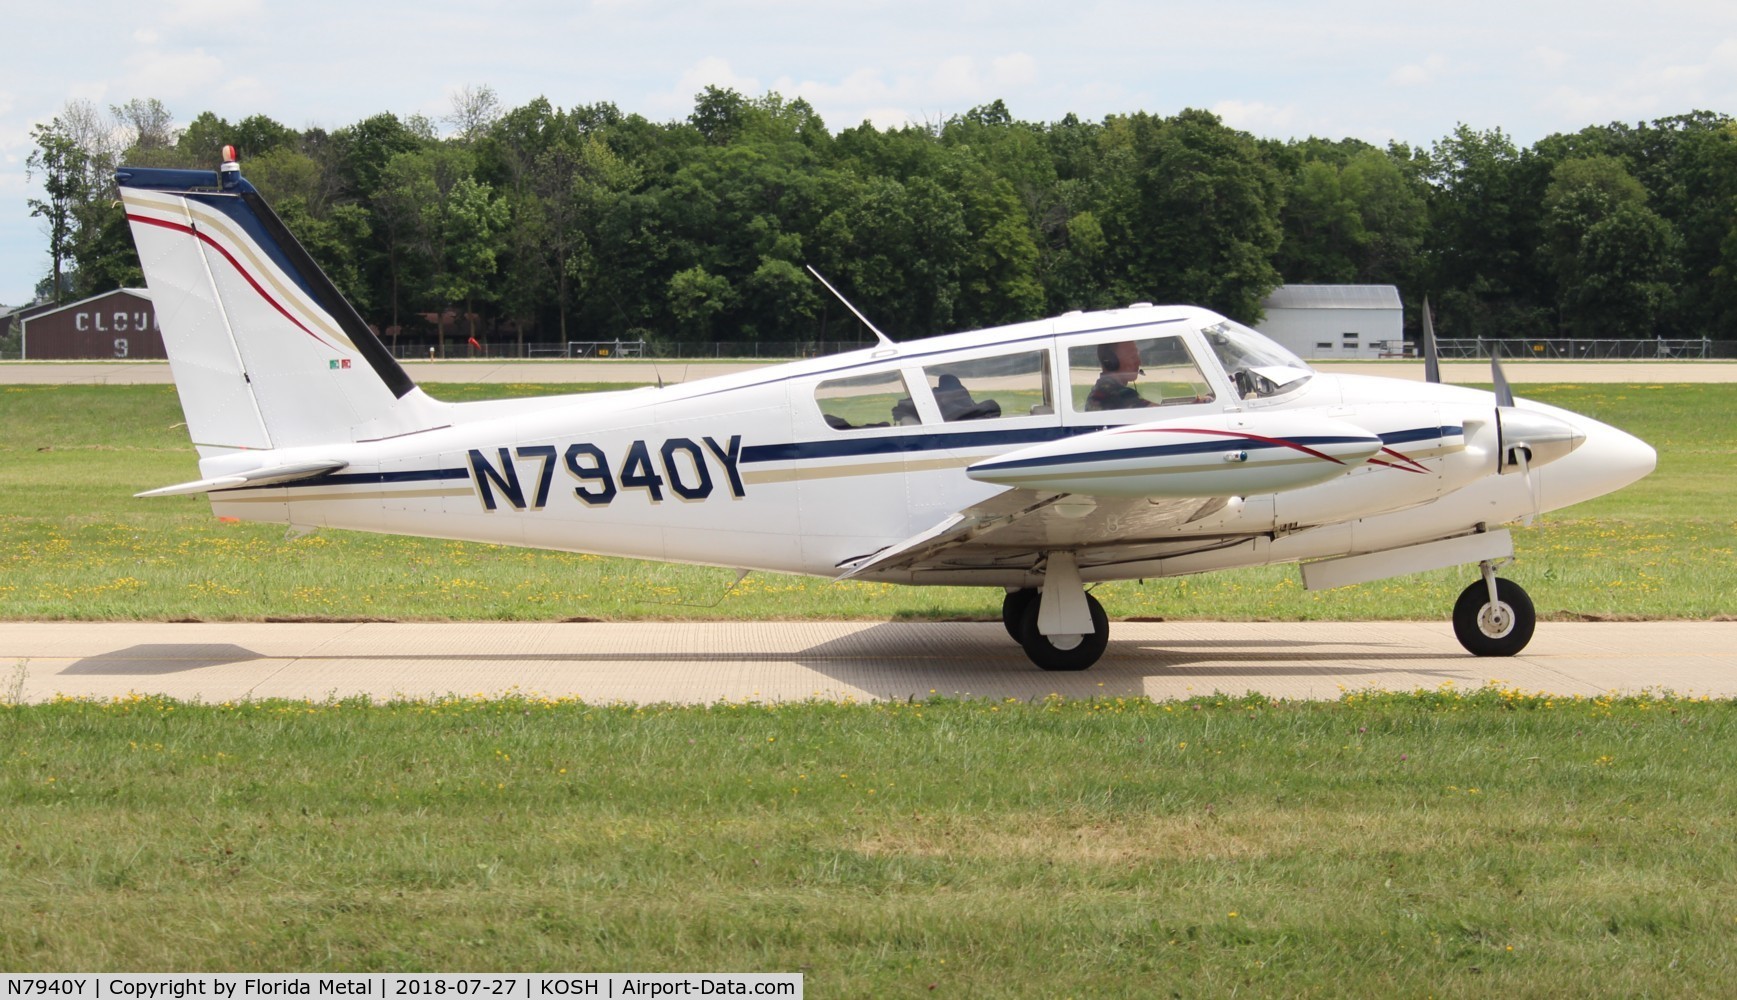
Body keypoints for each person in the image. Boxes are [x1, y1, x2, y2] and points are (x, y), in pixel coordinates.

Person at [1085, 341, 1156, 410]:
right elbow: (1159, 413)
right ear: (1112, 361)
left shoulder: (1095, 393)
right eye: (1132, 357)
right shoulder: (1121, 395)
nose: (1139, 362)